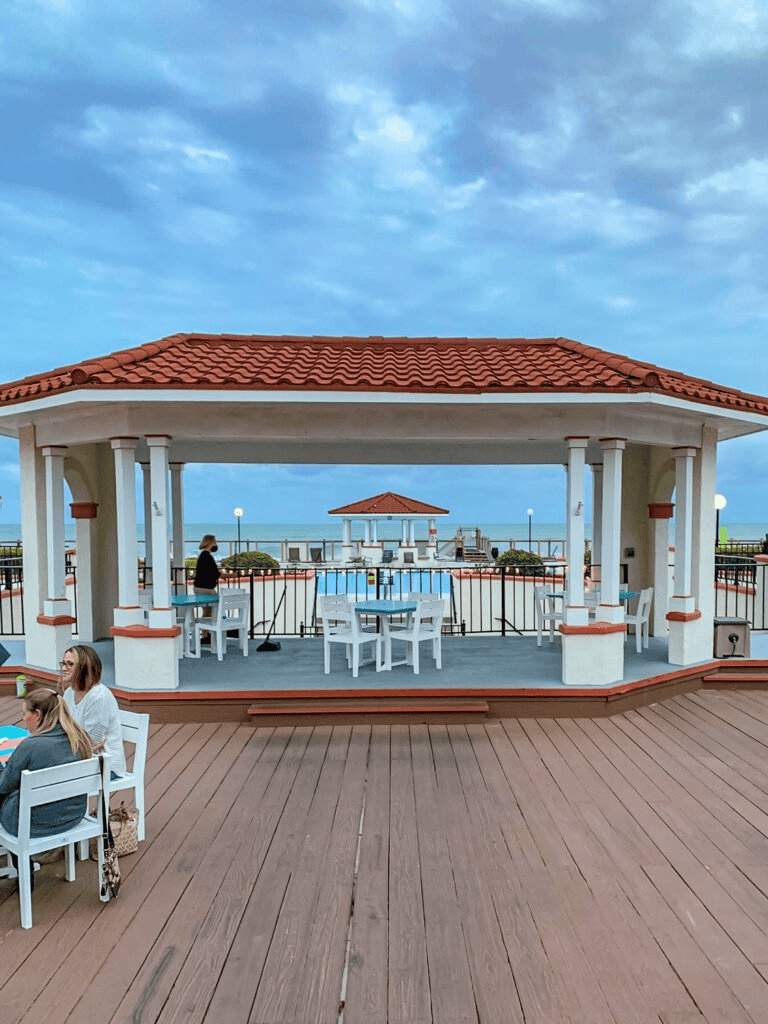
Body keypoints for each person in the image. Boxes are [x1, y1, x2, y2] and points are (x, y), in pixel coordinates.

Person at [0, 688, 93, 839]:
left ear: (37, 715)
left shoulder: (30, 746)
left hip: (29, 824)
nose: (23, 719)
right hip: (73, 816)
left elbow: (4, 786)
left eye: (25, 714)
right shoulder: (80, 739)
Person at [61, 645, 126, 778]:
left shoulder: (99, 697)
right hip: (78, 756)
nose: (63, 668)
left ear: (84, 668)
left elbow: (92, 741)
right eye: (63, 663)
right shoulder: (69, 692)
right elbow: (63, 727)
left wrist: (66, 742)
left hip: (105, 765)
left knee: (52, 778)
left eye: (70, 664)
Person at [193, 534, 221, 642]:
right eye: (215, 542)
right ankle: (207, 635)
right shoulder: (207, 557)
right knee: (211, 613)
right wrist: (233, 575)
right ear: (210, 543)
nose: (216, 545)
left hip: (200, 587)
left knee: (207, 612)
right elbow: (215, 573)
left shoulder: (203, 556)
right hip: (206, 589)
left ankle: (205, 635)